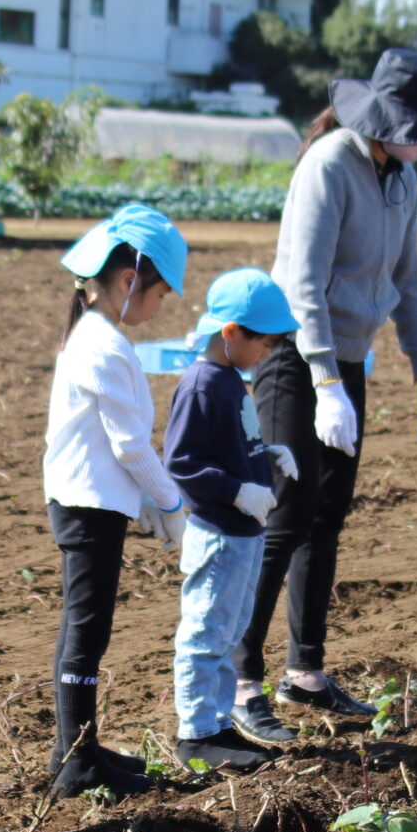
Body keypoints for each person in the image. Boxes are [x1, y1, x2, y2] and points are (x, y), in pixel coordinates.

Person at [233, 48, 417, 745]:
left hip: (346, 363)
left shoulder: (403, 178)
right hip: (292, 360)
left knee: (327, 516)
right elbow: (303, 284)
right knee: (285, 513)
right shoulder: (331, 163)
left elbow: (409, 280)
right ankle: (239, 679)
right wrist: (327, 383)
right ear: (388, 118)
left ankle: (304, 672)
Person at [39, 203, 190, 797]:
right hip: (87, 506)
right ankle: (75, 763)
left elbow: (118, 443)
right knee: (86, 630)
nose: (160, 306)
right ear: (129, 281)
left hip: (90, 500)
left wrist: (150, 501)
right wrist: (171, 504)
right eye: (160, 293)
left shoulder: (97, 336)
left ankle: (77, 749)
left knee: (85, 627)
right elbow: (130, 445)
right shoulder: (102, 345)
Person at [165, 267, 300, 773]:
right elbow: (180, 463)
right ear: (230, 333)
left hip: (243, 532)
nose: (269, 351)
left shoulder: (229, 380)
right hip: (220, 534)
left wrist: (267, 453)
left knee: (229, 629)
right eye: (264, 341)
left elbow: (229, 445)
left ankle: (219, 723)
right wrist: (236, 489)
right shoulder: (203, 386)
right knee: (205, 631)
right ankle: (196, 734)